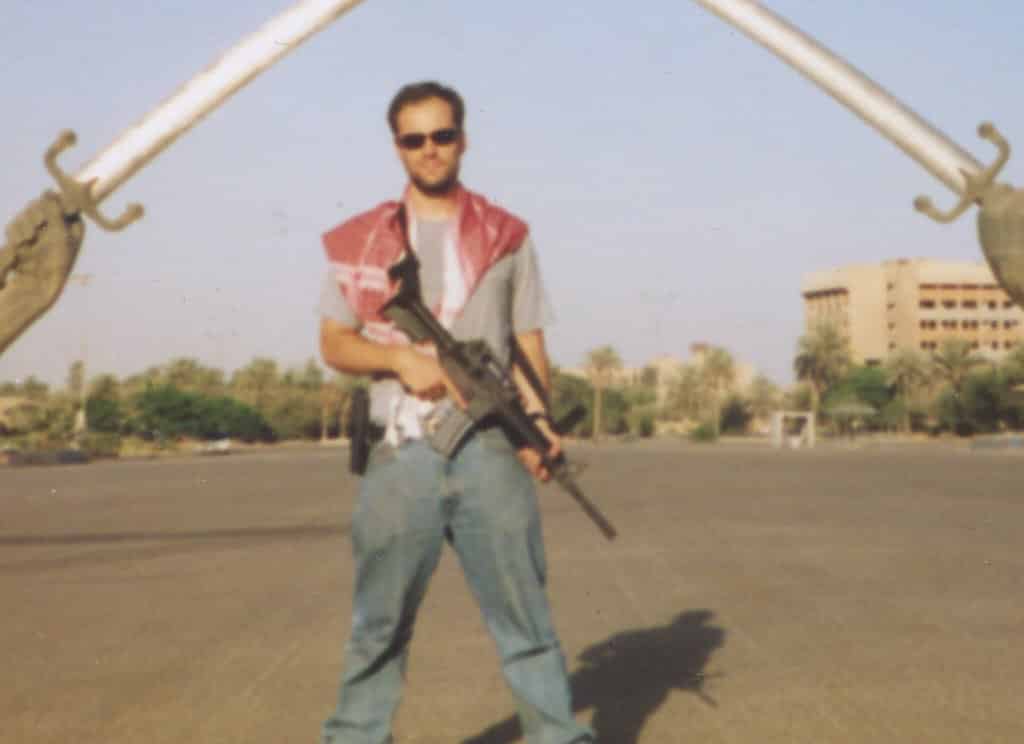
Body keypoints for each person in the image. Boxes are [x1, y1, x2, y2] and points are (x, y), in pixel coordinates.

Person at [317, 81, 594, 744]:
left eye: (442, 135)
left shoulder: (506, 236)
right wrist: (399, 360)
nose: (430, 149)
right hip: (400, 451)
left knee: (526, 622)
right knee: (378, 625)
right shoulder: (365, 242)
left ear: (463, 140)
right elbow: (335, 344)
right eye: (414, 139)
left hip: (489, 448)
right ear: (397, 147)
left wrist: (538, 427)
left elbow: (527, 343)